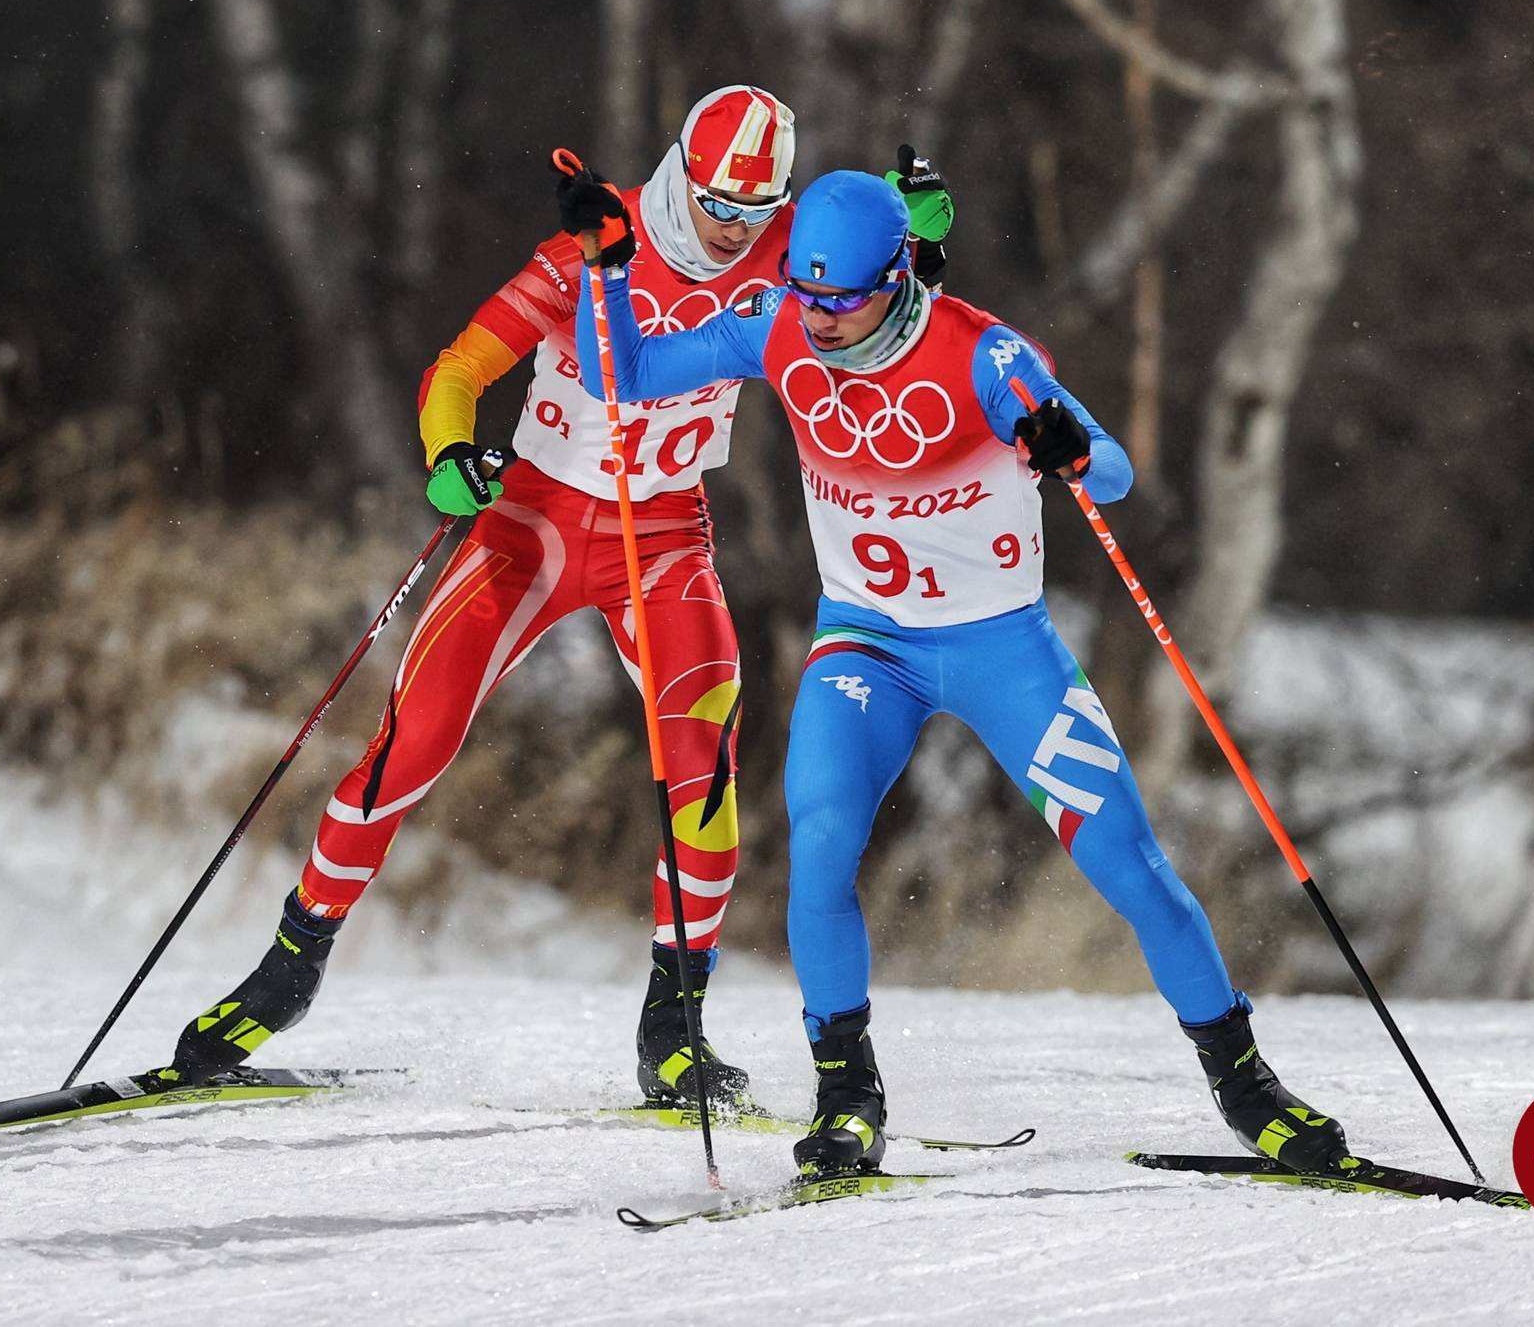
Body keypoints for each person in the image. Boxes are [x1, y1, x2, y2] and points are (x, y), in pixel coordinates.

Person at [570, 164, 1353, 1177]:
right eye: (805, 296)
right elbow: (618, 372)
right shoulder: (777, 327)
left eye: (841, 300)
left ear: (896, 276)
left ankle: (1248, 1087)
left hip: (1001, 648)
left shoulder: (983, 353)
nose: (819, 322)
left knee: (1129, 863)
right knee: (817, 844)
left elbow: (1109, 471)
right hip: (866, 646)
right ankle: (847, 1092)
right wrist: (608, 264)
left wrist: (1066, 443)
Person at [170, 87, 883, 1110]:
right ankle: (288, 967)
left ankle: (671, 1031)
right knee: (412, 742)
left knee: (704, 759)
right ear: (683, 167)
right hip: (533, 525)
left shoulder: (781, 253)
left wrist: (908, 253)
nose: (734, 226)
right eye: (719, 202)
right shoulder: (597, 236)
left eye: (756, 206)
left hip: (663, 534)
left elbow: (870, 323)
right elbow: (459, 367)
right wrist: (449, 450)